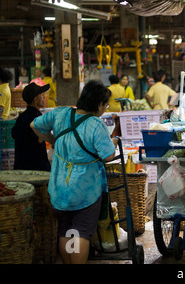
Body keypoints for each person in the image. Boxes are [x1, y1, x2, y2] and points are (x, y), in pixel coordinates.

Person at [30, 80, 119, 264]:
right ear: (99, 104)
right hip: (85, 191)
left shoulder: (60, 113)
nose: (105, 108)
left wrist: (52, 140)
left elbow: (34, 125)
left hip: (59, 188)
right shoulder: (95, 124)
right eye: (105, 104)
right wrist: (115, 142)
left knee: (65, 230)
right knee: (80, 233)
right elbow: (109, 156)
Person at [12, 82, 51, 171]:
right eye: (41, 95)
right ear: (35, 99)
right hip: (36, 168)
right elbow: (40, 138)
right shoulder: (38, 118)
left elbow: (13, 134)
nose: (44, 97)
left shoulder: (21, 117)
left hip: (20, 168)